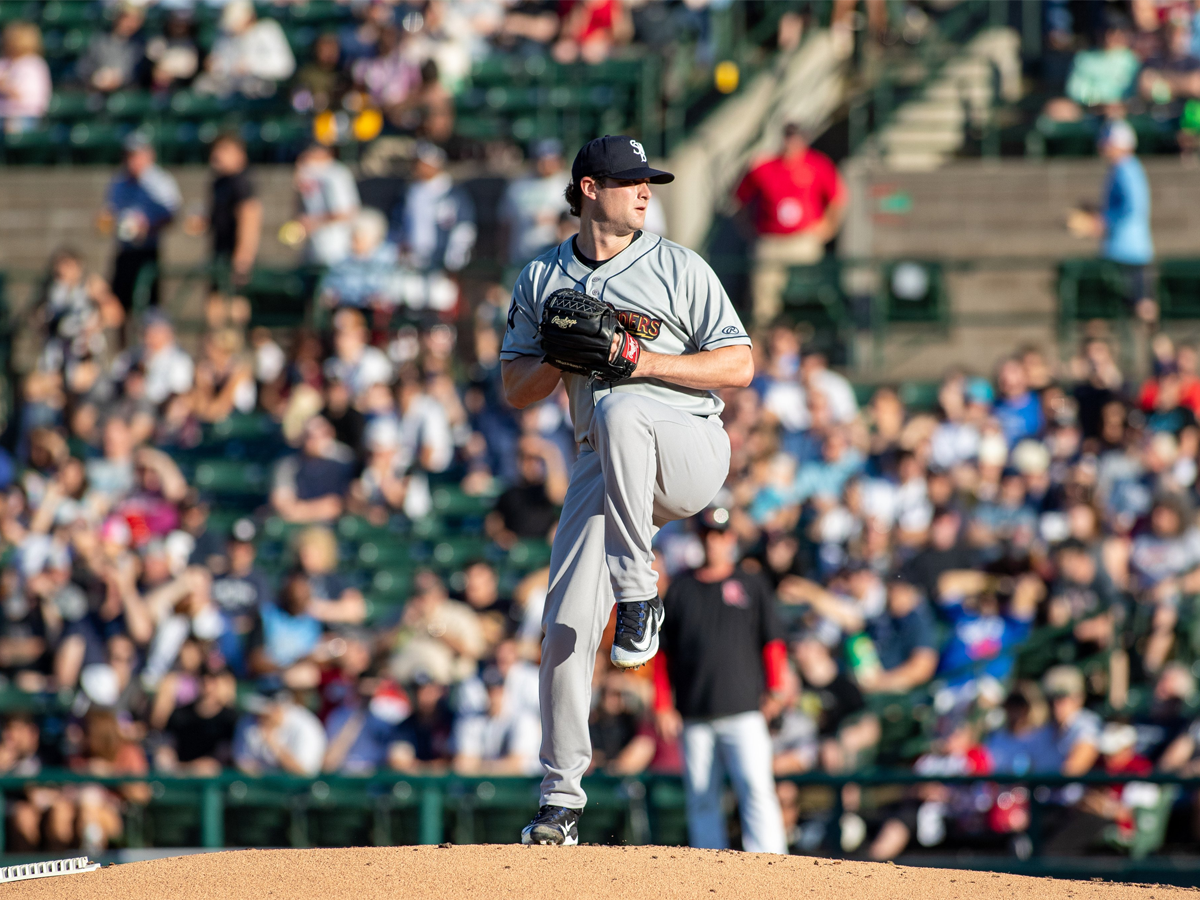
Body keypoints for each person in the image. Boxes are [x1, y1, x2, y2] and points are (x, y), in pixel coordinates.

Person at [501, 134, 754, 845]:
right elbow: (515, 388)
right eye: (629, 180)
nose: (645, 191)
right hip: (600, 463)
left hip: (688, 445)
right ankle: (561, 802)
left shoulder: (678, 265)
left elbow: (738, 365)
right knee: (564, 625)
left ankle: (639, 590)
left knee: (621, 402)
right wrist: (556, 358)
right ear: (588, 189)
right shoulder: (543, 277)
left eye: (650, 181)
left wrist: (642, 359)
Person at [652, 506, 789, 853]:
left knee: (757, 789)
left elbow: (771, 641)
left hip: (744, 709)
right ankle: (707, 867)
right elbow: (663, 654)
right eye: (709, 535)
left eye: (721, 535)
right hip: (695, 713)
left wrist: (775, 687)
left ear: (731, 539)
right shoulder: (681, 588)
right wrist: (662, 703)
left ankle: (772, 864)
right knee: (701, 797)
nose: (715, 541)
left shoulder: (750, 584)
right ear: (700, 539)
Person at [733, 123, 846, 326]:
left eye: (796, 137)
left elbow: (838, 197)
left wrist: (829, 226)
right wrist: (748, 230)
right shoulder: (764, 166)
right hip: (770, 241)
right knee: (763, 298)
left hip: (803, 240)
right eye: (788, 136)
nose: (791, 142)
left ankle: (807, 332)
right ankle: (763, 338)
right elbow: (739, 200)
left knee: (808, 293)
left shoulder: (818, 164)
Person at [1071, 120, 1155, 320]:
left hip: (1129, 250)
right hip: (1124, 248)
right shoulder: (1122, 169)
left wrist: (1103, 220)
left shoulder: (1126, 169)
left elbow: (1132, 207)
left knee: (1140, 306)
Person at [100, 136, 182, 312]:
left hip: (148, 250)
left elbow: (172, 214)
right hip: (124, 249)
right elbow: (109, 211)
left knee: (148, 304)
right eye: (129, 156)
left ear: (148, 155)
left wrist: (148, 227)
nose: (132, 161)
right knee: (119, 304)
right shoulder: (119, 182)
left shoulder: (160, 181)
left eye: (136, 155)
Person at [196, 0, 295, 99]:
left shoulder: (267, 30)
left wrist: (251, 65)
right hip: (230, 88)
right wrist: (214, 65)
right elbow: (219, 65)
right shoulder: (225, 35)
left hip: (262, 88)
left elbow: (284, 66)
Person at [200, 133, 262, 287]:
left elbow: (250, 218)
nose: (217, 155)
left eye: (224, 149)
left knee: (234, 304)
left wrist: (243, 258)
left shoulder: (241, 182)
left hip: (235, 256)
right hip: (220, 252)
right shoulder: (219, 183)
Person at [499, 138, 572, 267]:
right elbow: (506, 222)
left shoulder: (568, 185)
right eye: (540, 159)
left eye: (550, 160)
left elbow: (575, 222)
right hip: (520, 257)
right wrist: (503, 254)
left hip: (555, 258)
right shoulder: (518, 186)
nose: (544, 164)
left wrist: (553, 219)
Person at [294, 144, 361, 267]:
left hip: (335, 247)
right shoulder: (308, 171)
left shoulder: (336, 174)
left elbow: (346, 213)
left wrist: (314, 221)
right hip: (313, 246)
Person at [0, 21, 50, 133]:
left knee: (12, 126)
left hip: (26, 117)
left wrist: (5, 87)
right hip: (3, 116)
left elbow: (23, 96)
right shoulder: (4, 63)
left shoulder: (33, 64)